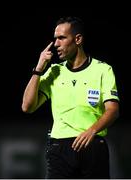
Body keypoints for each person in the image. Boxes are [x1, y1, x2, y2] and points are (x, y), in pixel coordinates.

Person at [21, 16, 119, 179]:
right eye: (55, 39)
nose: (56, 44)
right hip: (60, 148)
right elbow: (27, 106)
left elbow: (113, 110)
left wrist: (91, 131)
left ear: (78, 39)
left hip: (92, 145)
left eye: (62, 38)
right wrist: (38, 69)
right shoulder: (54, 71)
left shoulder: (103, 70)